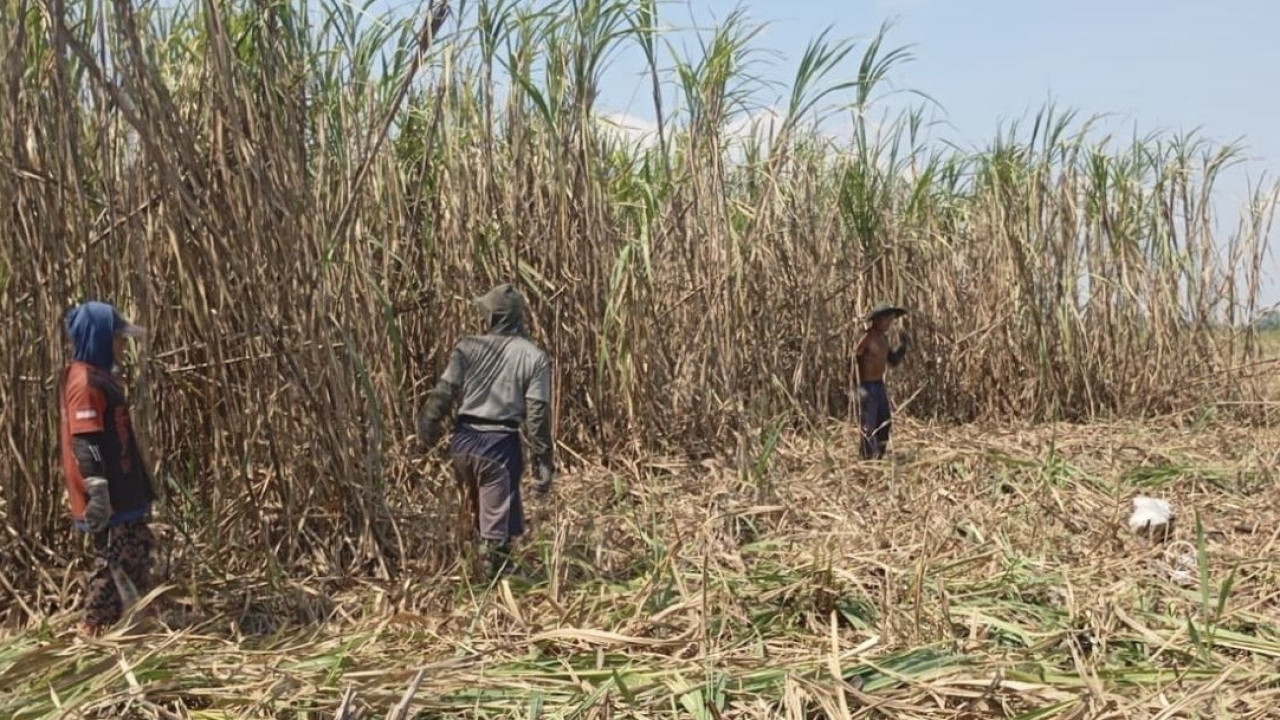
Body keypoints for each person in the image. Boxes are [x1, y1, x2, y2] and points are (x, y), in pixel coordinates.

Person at [417, 283, 555, 580]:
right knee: (496, 531)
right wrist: (543, 462)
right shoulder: (533, 357)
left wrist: (427, 425)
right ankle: (490, 591)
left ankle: (469, 570)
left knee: (479, 512)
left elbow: (444, 392)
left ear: (492, 317)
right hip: (498, 447)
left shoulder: (468, 347)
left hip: (463, 443)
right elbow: (537, 414)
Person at [58, 301, 156, 635]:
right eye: (115, 338)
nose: (119, 345)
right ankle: (92, 627)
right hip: (108, 493)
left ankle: (134, 621)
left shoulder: (98, 376)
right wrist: (98, 491)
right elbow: (85, 440)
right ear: (99, 338)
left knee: (137, 548)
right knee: (116, 559)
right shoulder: (84, 382)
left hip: (123, 487)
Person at [854, 303, 910, 460]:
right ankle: (866, 459)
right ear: (878, 320)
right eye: (887, 320)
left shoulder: (883, 339)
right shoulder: (867, 338)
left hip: (879, 386)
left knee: (884, 422)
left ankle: (878, 456)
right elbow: (853, 359)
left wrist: (903, 346)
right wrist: (856, 387)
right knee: (869, 425)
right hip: (867, 386)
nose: (889, 324)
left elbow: (892, 361)